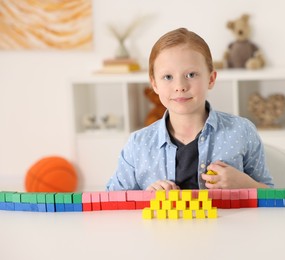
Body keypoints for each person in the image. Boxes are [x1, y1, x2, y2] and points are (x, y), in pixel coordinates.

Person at [106, 28, 273, 191]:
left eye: (191, 75)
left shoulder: (242, 131)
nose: (180, 86)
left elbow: (272, 197)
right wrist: (145, 200)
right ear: (154, 84)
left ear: (211, 78)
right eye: (168, 77)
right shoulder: (138, 145)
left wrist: (246, 184)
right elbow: (111, 204)